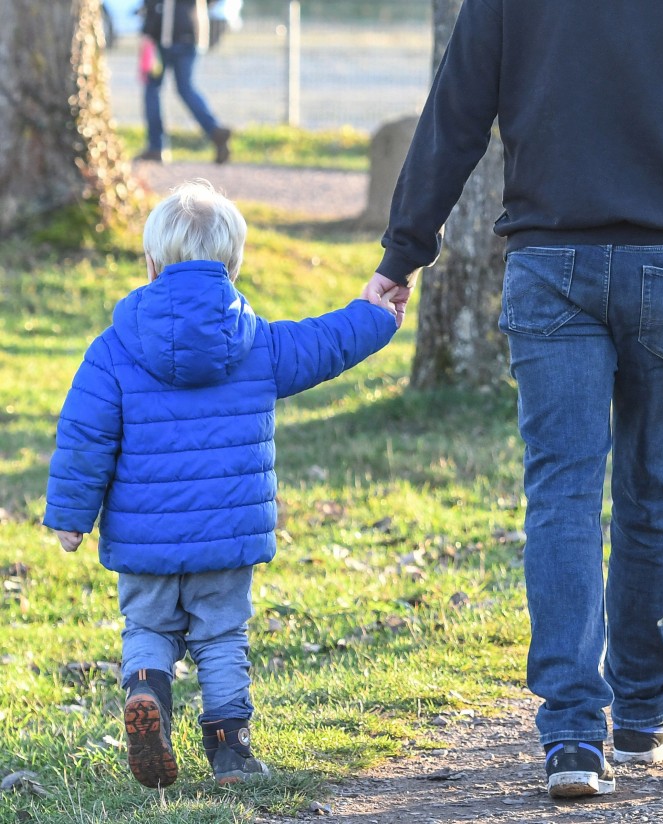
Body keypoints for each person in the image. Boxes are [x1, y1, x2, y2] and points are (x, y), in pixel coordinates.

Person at [362, 0, 663, 799]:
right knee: (654, 488)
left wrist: (406, 248)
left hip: (552, 260)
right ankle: (643, 711)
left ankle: (574, 734)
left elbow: (456, 111)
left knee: (562, 494)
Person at [43, 180, 399, 787]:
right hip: (227, 535)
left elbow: (85, 437)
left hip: (144, 540)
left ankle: (148, 693)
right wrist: (376, 314)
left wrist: (70, 517)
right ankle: (231, 752)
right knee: (221, 636)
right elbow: (324, 344)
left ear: (151, 262)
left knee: (149, 629)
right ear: (233, 263)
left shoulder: (113, 349)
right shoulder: (256, 343)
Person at [135, 0, 233, 165]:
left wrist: (147, 32)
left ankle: (156, 146)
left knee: (153, 89)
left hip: (163, 35)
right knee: (185, 88)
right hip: (191, 31)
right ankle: (214, 131)